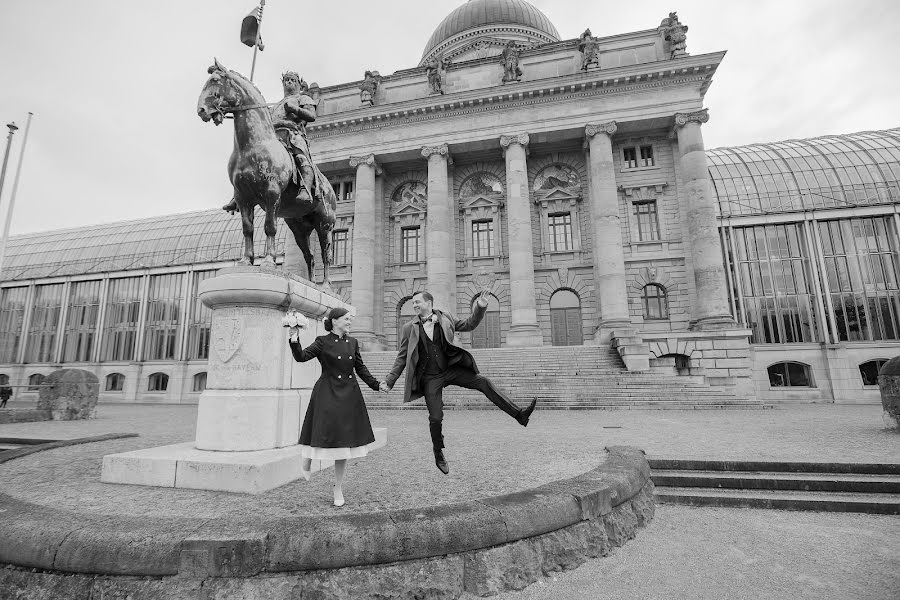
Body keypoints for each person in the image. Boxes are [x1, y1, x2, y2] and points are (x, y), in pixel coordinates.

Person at [381, 289, 537, 475]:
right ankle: (438, 451)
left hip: (451, 369)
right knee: (436, 417)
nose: (414, 305)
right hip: (431, 377)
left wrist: (480, 306)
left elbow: (470, 324)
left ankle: (519, 415)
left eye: (417, 302)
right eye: (413, 303)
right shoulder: (409, 328)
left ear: (429, 303)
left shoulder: (445, 318)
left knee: (483, 382)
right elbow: (402, 357)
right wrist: (389, 381)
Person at [289, 307, 381, 507]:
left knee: (343, 443)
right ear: (335, 320)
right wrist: (294, 336)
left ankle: (337, 487)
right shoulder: (323, 342)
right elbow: (301, 357)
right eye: (347, 319)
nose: (350, 322)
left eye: (350, 319)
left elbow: (360, 368)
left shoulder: (353, 342)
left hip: (349, 394)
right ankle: (307, 458)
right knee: (322, 431)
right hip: (327, 392)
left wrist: (376, 384)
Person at [223, 71, 319, 213]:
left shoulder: (303, 98)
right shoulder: (274, 106)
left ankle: (305, 189)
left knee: (300, 152)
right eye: (286, 80)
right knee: (249, 156)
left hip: (292, 133)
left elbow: (311, 116)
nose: (289, 82)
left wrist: (295, 109)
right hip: (273, 137)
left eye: (292, 80)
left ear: (299, 84)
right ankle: (238, 194)